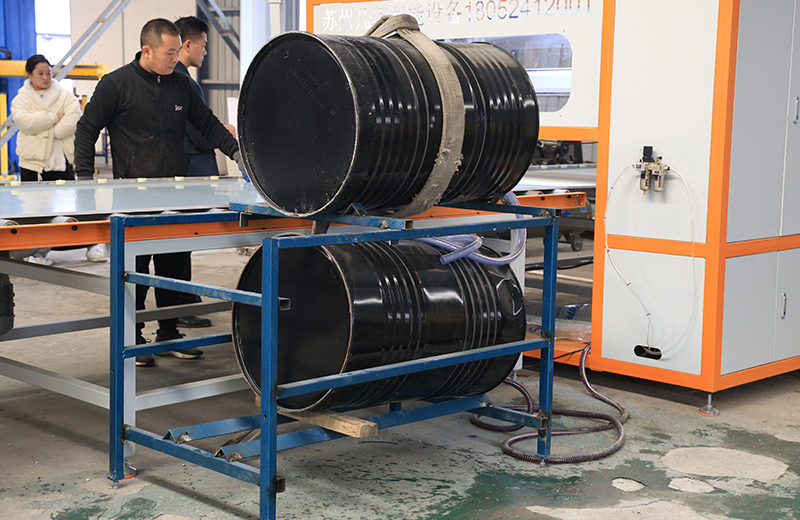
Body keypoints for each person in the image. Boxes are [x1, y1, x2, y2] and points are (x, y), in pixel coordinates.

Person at [74, 18, 240, 367]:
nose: (175, 58)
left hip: (175, 194)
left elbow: (208, 124)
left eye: (178, 51)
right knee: (135, 271)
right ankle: (133, 338)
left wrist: (238, 154)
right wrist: (84, 180)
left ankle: (168, 334)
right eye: (169, 53)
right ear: (146, 50)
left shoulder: (181, 84)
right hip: (131, 197)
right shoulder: (116, 85)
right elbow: (87, 129)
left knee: (173, 268)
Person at [171, 16, 237, 328]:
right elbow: (197, 132)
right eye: (204, 45)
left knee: (181, 242)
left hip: (187, 169)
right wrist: (223, 133)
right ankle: (180, 303)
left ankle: (183, 297)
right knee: (180, 241)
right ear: (187, 44)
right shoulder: (182, 81)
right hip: (190, 171)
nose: (206, 52)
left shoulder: (180, 78)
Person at [11, 54, 105, 265]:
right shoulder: (20, 99)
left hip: (61, 161)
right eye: (40, 73)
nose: (46, 77)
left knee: (73, 206)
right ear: (29, 75)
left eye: (49, 73)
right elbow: (25, 124)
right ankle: (39, 249)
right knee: (34, 210)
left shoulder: (64, 96)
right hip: (33, 163)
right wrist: (55, 117)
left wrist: (44, 129)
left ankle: (92, 244)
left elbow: (71, 122)